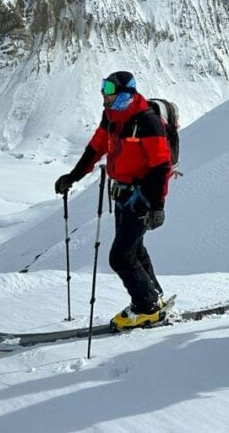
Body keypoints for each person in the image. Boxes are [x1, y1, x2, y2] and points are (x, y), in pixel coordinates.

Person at [54, 71, 172, 329]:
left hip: (142, 197)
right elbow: (95, 148)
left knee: (120, 257)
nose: (103, 94)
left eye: (109, 89)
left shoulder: (147, 122)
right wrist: (72, 176)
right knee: (134, 250)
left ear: (125, 93)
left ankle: (147, 307)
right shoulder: (111, 117)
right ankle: (154, 296)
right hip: (121, 196)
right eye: (103, 87)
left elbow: (161, 166)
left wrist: (157, 206)